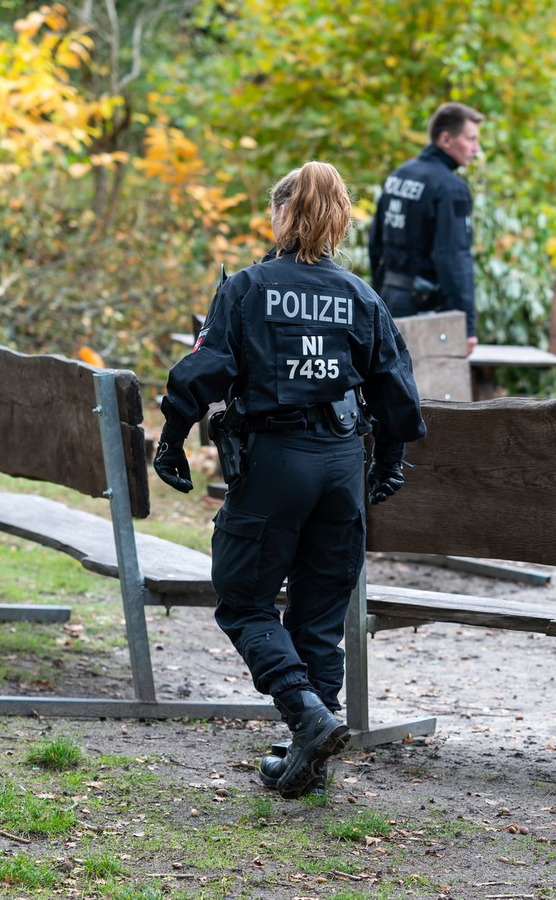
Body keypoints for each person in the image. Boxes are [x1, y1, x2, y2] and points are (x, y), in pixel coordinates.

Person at [153, 161, 426, 799]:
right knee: (319, 615)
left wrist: (171, 440)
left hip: (276, 463)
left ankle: (305, 715)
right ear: (340, 220)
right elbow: (396, 391)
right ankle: (310, 759)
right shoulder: (361, 296)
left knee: (244, 600)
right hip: (341, 466)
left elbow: (201, 370)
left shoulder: (247, 288)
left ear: (281, 214)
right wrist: (388, 463)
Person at [369, 101, 483, 354]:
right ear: (446, 139)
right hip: (426, 312)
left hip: (388, 299)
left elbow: (374, 242)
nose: (476, 148)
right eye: (471, 139)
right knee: (430, 378)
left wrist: (377, 298)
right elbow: (453, 258)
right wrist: (467, 326)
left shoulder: (399, 175)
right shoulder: (451, 188)